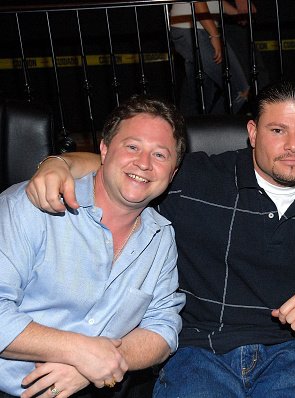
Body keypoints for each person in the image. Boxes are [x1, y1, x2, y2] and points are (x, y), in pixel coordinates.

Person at [26, 81, 295, 397]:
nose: (293, 145)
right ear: (253, 132)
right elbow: (124, 169)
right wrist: (59, 163)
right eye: (277, 130)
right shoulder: (198, 178)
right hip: (199, 350)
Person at [0, 95, 186, 398]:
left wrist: (101, 362)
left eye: (160, 155)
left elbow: (164, 325)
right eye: (132, 147)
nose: (143, 163)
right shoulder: (30, 206)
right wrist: (80, 351)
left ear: (173, 172)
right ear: (103, 149)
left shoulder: (160, 238)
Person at [170, 1, 250, 115]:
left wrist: (236, 13)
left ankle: (193, 129)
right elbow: (198, 3)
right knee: (239, 90)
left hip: (193, 28)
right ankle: (210, 129)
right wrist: (214, 34)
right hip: (196, 29)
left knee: (200, 95)